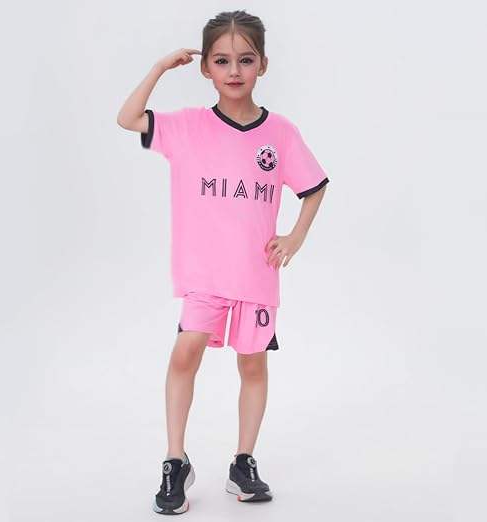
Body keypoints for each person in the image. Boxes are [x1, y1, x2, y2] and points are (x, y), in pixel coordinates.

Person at [117, 9, 330, 515]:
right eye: (221, 60)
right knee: (184, 354)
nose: (234, 70)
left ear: (263, 65)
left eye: (245, 60)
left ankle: (243, 461)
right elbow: (128, 119)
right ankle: (175, 461)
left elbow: (314, 187)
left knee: (252, 364)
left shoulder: (280, 133)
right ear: (205, 68)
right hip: (203, 275)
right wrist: (158, 68)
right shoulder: (187, 127)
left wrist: (295, 237)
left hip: (255, 275)